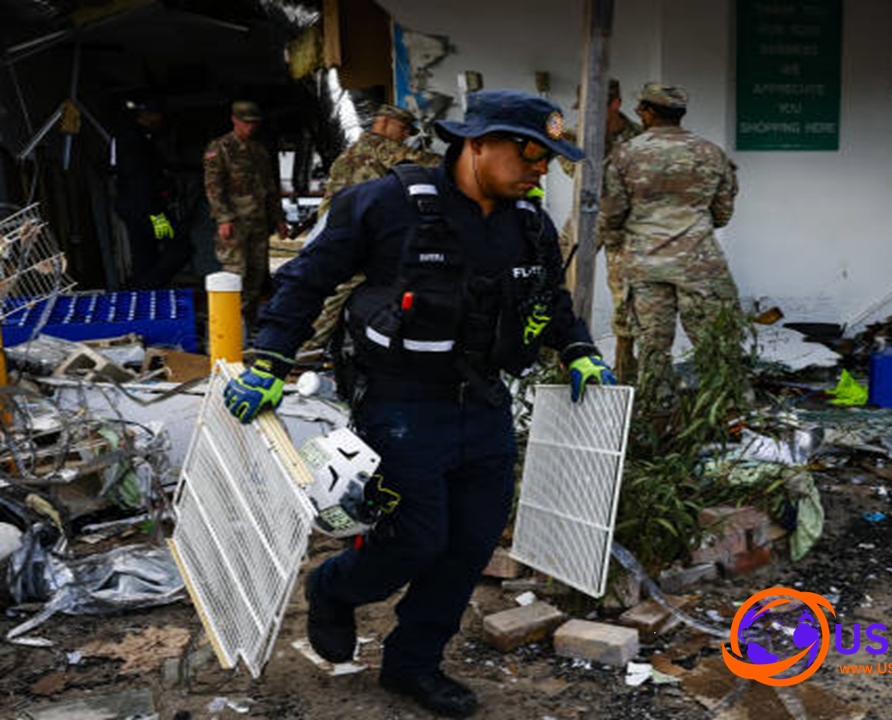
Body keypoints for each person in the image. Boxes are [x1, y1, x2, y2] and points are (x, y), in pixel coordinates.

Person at [221, 89, 617, 717]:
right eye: (532, 153)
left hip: (484, 403)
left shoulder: (529, 225)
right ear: (477, 142)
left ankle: (413, 665)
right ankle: (332, 587)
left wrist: (578, 350)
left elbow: (551, 303)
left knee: (471, 542)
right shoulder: (385, 202)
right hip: (401, 406)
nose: (543, 167)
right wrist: (269, 360)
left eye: (549, 157)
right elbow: (306, 277)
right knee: (414, 540)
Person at [600, 82, 739, 421]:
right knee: (714, 346)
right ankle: (722, 417)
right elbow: (723, 212)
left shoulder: (625, 154)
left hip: (644, 265)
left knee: (652, 348)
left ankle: (659, 420)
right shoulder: (711, 153)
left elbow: (610, 213)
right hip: (698, 264)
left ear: (647, 112)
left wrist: (623, 240)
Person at [300, 103, 443, 355]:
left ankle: (311, 344)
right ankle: (306, 346)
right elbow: (428, 164)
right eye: (404, 130)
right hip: (348, 232)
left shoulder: (355, 150)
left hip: (337, 227)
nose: (405, 137)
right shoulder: (377, 146)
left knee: (333, 286)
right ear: (387, 124)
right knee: (339, 289)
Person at [558, 79, 643, 380]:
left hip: (624, 226)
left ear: (615, 105)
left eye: (593, 110)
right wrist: (562, 142)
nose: (586, 116)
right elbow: (572, 170)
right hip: (585, 220)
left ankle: (625, 366)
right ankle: (560, 357)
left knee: (625, 298)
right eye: (583, 110)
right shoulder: (579, 134)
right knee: (559, 282)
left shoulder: (639, 138)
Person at [203, 100, 288, 322]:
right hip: (235, 222)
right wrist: (223, 218)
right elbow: (213, 187)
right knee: (235, 273)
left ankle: (247, 324)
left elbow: (270, 187)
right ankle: (231, 325)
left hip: (258, 222)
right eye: (245, 123)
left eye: (254, 123)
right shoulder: (220, 148)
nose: (250, 128)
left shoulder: (258, 151)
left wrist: (279, 219)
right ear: (234, 120)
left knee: (257, 274)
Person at [113, 98, 192, 288]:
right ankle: (147, 286)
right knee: (179, 247)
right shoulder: (137, 140)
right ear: (149, 116)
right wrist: (156, 212)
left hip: (134, 207)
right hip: (149, 210)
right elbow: (140, 179)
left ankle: (143, 293)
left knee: (145, 251)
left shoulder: (132, 136)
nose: (161, 120)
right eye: (159, 115)